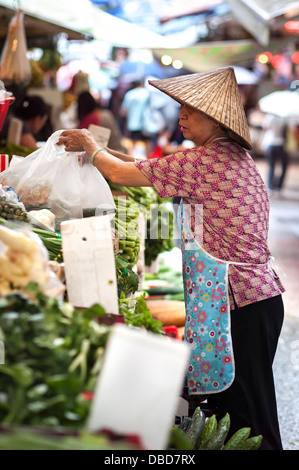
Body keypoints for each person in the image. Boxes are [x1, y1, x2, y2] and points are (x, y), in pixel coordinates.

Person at [57, 67, 285, 450]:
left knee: (247, 419)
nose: (179, 116)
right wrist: (98, 150)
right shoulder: (224, 157)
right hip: (255, 301)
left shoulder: (206, 162)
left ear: (213, 118)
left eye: (187, 109)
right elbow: (140, 167)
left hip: (240, 304)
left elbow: (121, 174)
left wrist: (91, 145)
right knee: (244, 413)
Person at [120, 79, 152, 156]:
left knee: (132, 143)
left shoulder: (129, 94)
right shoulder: (147, 93)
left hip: (132, 122)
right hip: (145, 123)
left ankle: (129, 160)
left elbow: (123, 111)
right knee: (147, 142)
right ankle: (150, 161)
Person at [262, 113, 289, 194]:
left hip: (271, 144)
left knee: (271, 166)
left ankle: (270, 186)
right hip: (282, 144)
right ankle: (279, 186)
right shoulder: (284, 119)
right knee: (283, 167)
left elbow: (265, 127)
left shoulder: (269, 117)